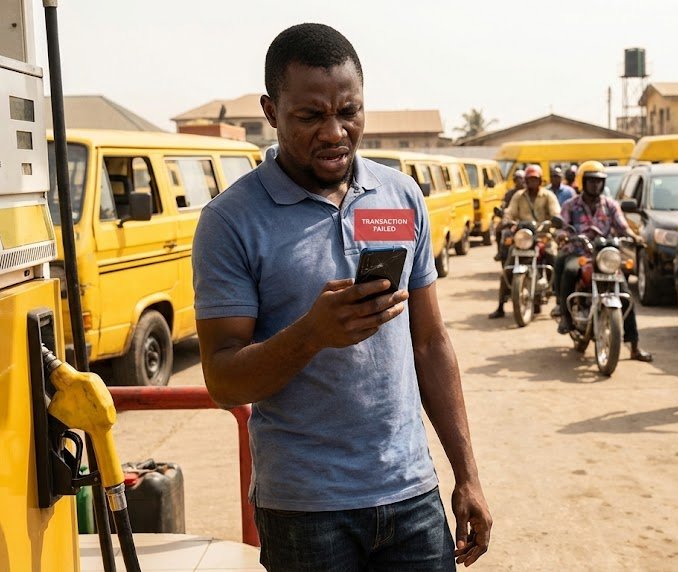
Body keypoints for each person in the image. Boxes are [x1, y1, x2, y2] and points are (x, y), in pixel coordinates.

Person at [191, 23, 491, 570]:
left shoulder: (400, 195)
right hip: (305, 509)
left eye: (349, 111)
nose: (335, 132)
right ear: (270, 111)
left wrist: (466, 474)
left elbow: (429, 344)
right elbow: (223, 378)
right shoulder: (229, 222)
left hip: (410, 493)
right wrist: (312, 334)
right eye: (310, 116)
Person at [554, 162, 652, 361]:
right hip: (580, 252)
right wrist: (563, 234)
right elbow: (561, 225)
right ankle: (565, 317)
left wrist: (635, 237)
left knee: (625, 294)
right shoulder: (571, 205)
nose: (595, 185)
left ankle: (634, 346)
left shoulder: (611, 205)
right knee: (569, 270)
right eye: (591, 181)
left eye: (599, 181)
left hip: (606, 256)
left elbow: (623, 226)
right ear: (583, 182)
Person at [489, 164, 561, 319]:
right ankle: (501, 305)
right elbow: (510, 212)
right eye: (530, 179)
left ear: (540, 180)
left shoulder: (548, 196)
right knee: (507, 266)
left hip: (542, 235)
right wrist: (507, 219)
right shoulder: (518, 196)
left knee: (553, 257)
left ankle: (559, 300)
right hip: (524, 236)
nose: (532, 182)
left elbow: (556, 213)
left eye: (535, 179)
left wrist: (552, 222)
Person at [494, 168, 526, 258]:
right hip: (512, 220)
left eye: (521, 179)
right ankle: (500, 251)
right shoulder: (509, 194)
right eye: (517, 179)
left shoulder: (529, 193)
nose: (520, 181)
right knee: (499, 229)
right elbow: (505, 207)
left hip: (527, 221)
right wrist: (504, 214)